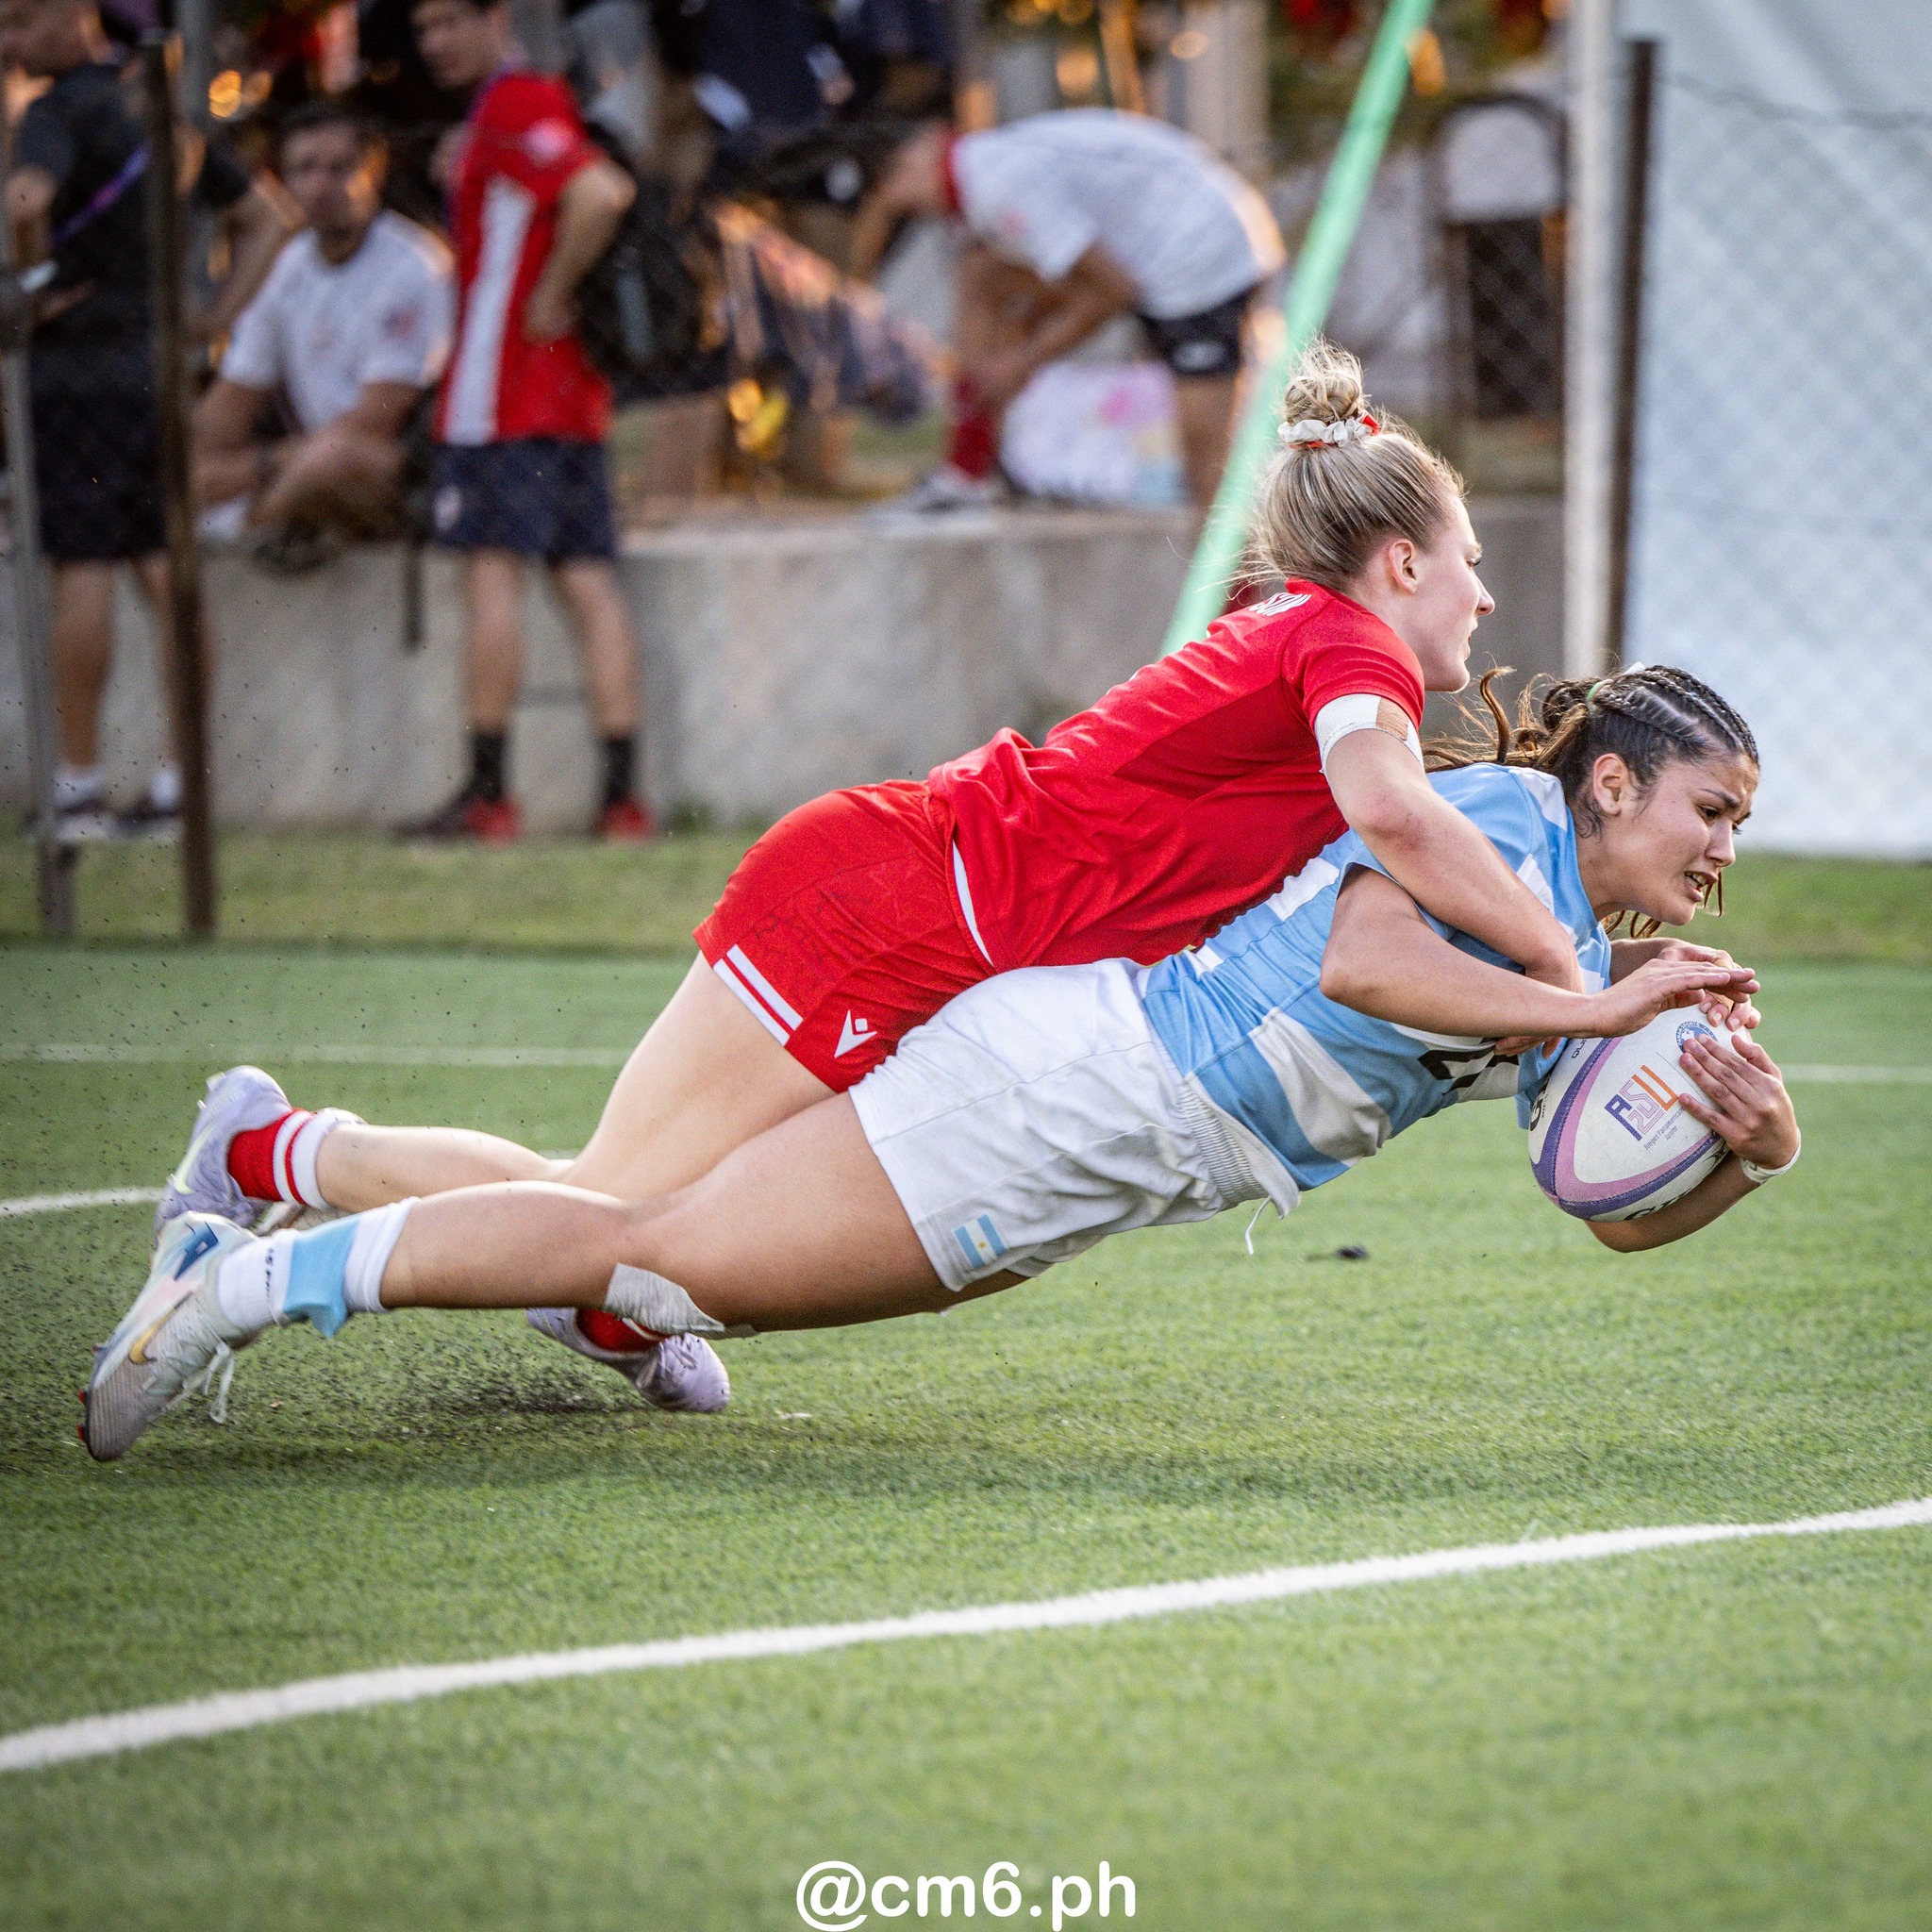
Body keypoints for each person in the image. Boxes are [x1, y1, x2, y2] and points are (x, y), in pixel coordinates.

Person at [139, 342, 1590, 1409]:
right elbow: (1395, 814)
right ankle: (268, 1154)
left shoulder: (1307, 632)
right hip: (886, 905)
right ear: (1400, 564)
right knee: (607, 1202)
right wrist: (1568, 973)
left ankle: (595, 1304)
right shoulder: (1345, 639)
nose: (1486, 591)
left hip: (931, 920)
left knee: (639, 1211)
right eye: (1469, 558)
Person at [81, 667, 1799, 1461]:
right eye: (1708, 807)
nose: (1722, 846)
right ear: (1606, 785)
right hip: (1080, 1093)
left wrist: (1748, 1152)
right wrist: (1599, 1012)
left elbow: (1603, 1207)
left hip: (1106, 1134)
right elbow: (1361, 955)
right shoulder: (1504, 824)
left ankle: (276, 1160)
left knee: (641, 1228)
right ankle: (233, 1291)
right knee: (648, 1251)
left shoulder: (1571, 948)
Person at [1, 0, 294, 840]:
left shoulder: (52, 113)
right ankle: (179, 785)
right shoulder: (157, 116)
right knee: (167, 571)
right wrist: (213, 320)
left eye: (20, 22)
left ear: (75, 15)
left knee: (83, 570)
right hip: (158, 373)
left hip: (73, 378)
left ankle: (79, 789)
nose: (8, 42)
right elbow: (266, 219)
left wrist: (29, 283)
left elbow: (24, 201)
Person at [408, 0, 655, 843]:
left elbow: (598, 192)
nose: (436, 42)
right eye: (424, 28)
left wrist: (550, 291)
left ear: (496, 17)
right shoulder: (507, 111)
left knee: (492, 578)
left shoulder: (517, 101)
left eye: (451, 21)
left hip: (503, 398)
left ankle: (489, 799)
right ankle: (622, 801)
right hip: (567, 400)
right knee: (586, 582)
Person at [849, 110, 1286, 509]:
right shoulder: (981, 170)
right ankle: (970, 466)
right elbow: (1074, 282)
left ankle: (1241, 575)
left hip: (1202, 254)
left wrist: (1023, 362)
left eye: (895, 190)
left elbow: (1113, 291)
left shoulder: (994, 185)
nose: (907, 206)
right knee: (981, 271)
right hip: (1165, 249)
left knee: (1207, 458)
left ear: (913, 157)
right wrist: (1025, 340)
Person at [194, 103, 454, 562]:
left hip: (405, 468)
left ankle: (244, 542)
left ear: (374, 172)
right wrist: (200, 466)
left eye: (339, 169)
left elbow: (378, 419)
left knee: (333, 460)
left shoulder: (414, 264)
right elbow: (230, 402)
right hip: (305, 460)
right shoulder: (287, 264)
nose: (320, 187)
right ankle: (271, 527)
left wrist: (259, 467)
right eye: (304, 169)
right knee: (176, 472)